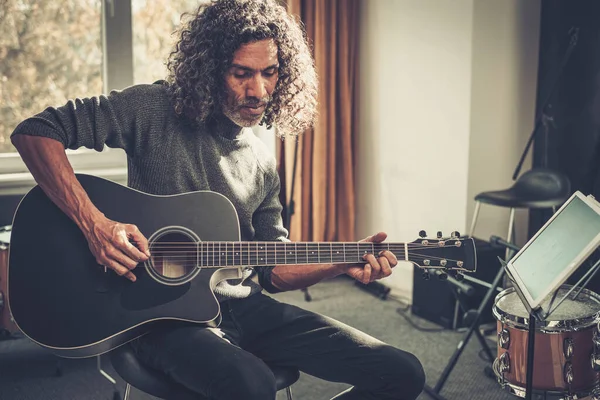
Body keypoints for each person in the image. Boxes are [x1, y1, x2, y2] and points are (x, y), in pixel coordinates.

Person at [11, 0, 425, 399]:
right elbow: (35, 131)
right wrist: (96, 225)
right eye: (241, 73)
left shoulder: (262, 162)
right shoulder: (153, 109)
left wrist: (341, 261)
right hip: (157, 316)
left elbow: (271, 270)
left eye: (270, 73)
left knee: (402, 373)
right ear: (208, 71)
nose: (258, 91)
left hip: (242, 307)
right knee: (252, 384)